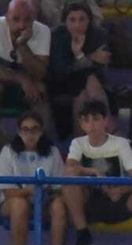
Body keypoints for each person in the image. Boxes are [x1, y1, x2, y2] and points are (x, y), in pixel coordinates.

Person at [64, 98, 132, 245]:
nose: (91, 124)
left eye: (96, 119)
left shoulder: (121, 143)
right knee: (69, 179)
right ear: (81, 124)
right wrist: (94, 172)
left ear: (105, 121)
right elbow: (70, 168)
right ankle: (82, 233)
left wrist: (121, 189)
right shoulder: (78, 143)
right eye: (86, 120)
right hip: (89, 202)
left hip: (117, 200)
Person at [0, 0, 52, 159]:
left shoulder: (43, 31)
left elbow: (40, 73)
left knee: (41, 90)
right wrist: (22, 80)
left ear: (34, 18)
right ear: (7, 17)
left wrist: (22, 45)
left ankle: (43, 145)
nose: (22, 25)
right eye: (16, 19)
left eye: (27, 20)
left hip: (21, 83)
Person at [0, 111, 68, 245]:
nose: (30, 134)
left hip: (44, 201)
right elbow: (8, 192)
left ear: (41, 131)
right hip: (13, 202)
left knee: (58, 206)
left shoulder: (53, 152)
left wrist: (43, 194)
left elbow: (59, 188)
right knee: (20, 204)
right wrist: (30, 191)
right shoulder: (8, 151)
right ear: (19, 131)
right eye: (25, 129)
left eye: (35, 129)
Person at [46, 1, 110, 144]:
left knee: (83, 94)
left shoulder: (99, 35)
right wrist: (87, 57)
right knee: (88, 83)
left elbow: (100, 68)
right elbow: (60, 71)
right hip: (61, 84)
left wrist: (79, 56)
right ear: (65, 21)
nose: (77, 25)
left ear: (89, 20)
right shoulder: (56, 36)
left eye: (82, 19)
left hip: (89, 84)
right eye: (72, 20)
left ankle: (80, 148)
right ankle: (107, 132)